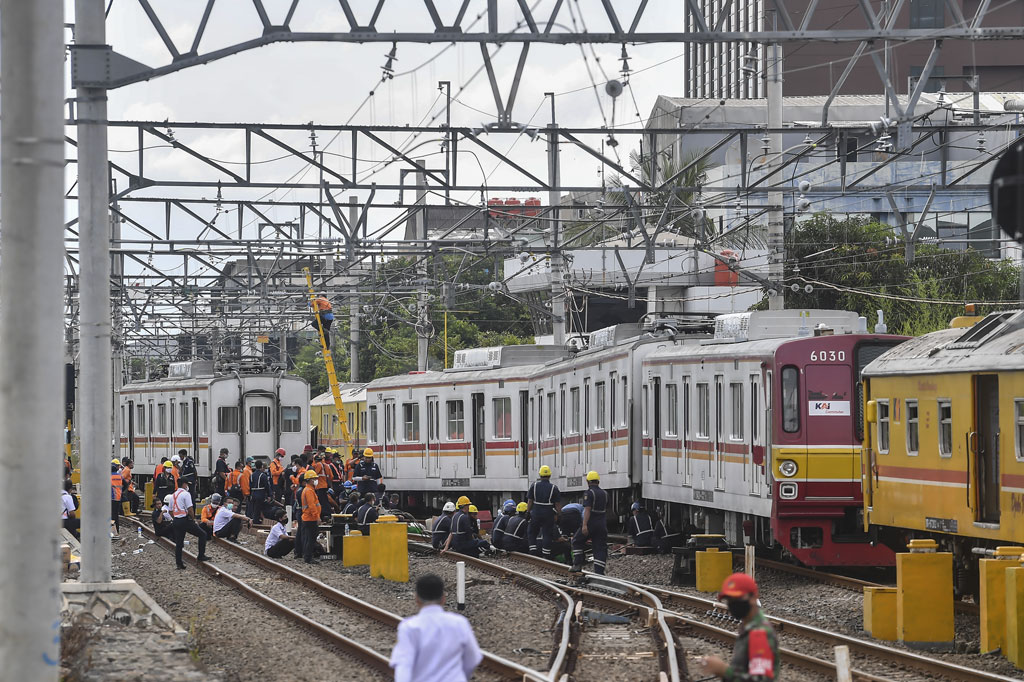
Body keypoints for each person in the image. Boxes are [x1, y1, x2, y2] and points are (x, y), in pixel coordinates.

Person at [389, 573, 483, 682]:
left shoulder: (409, 627)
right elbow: (472, 659)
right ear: (443, 598)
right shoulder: (459, 623)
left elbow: (404, 665)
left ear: (417, 599)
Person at [699, 573, 778, 681]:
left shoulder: (759, 633)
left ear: (753, 597)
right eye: (729, 600)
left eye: (737, 598)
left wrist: (723, 670)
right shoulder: (748, 628)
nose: (733, 604)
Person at [571, 471, 608, 575]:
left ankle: (577, 564)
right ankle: (599, 572)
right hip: (602, 524)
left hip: (591, 523)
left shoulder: (589, 493)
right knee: (600, 547)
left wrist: (584, 525)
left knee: (577, 541)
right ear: (598, 482)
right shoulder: (605, 493)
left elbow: (587, 509)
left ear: (587, 482)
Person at [169, 479, 208, 569]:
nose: (188, 486)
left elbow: (170, 510)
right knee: (202, 534)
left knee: (179, 543)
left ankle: (179, 564)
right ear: (184, 484)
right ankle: (201, 556)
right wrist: (193, 519)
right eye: (187, 484)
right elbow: (190, 508)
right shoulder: (186, 494)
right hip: (185, 520)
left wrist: (175, 518)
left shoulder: (173, 495)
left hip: (176, 521)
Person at [527, 465, 561, 558]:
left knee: (532, 532)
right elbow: (557, 504)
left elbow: (530, 501)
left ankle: (532, 551)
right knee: (547, 533)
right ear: (549, 475)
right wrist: (559, 515)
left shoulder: (534, 486)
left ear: (540, 475)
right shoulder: (554, 488)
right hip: (548, 513)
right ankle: (546, 555)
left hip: (536, 512)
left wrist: (527, 512)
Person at [298, 469, 322, 564]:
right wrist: (317, 517)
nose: (316, 480)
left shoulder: (309, 490)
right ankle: (308, 557)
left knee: (309, 538)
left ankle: (308, 556)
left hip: (308, 518)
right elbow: (312, 505)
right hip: (310, 518)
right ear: (310, 480)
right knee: (310, 538)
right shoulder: (309, 491)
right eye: (314, 478)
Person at [311, 452, 332, 520]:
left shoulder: (318, 465)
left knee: (321, 501)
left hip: (320, 486)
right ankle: (327, 513)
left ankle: (325, 514)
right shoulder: (326, 465)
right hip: (324, 485)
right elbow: (331, 476)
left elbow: (314, 474)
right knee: (325, 500)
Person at [110, 459, 123, 536]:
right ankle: (117, 531)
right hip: (118, 497)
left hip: (110, 497)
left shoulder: (108, 476)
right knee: (116, 515)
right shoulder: (119, 476)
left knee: (110, 516)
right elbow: (125, 484)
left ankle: (112, 532)